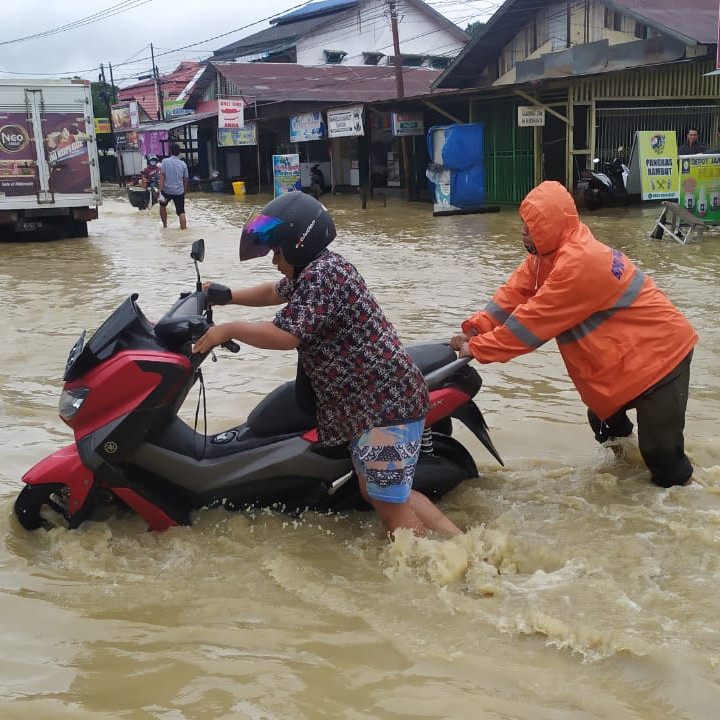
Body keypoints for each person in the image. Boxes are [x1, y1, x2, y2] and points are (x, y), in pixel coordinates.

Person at [192, 191, 461, 539]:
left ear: (299, 244)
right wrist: (227, 296)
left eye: (277, 250)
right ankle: (459, 544)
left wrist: (226, 331)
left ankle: (433, 570)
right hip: (373, 405)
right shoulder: (316, 271)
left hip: (382, 406)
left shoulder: (324, 276)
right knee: (385, 493)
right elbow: (275, 291)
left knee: (389, 502)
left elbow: (285, 335)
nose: (273, 259)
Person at [451, 181, 698, 489]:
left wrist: (478, 348)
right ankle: (628, 484)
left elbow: (528, 328)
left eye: (529, 227)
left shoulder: (578, 263)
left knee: (663, 459)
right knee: (605, 424)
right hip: (628, 362)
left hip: (663, 359)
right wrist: (475, 329)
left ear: (549, 227)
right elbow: (511, 296)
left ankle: (688, 506)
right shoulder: (547, 258)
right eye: (523, 226)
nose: (523, 233)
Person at [158, 143, 188, 229]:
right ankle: (184, 229)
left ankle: (165, 225)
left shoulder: (165, 161)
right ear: (179, 152)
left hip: (166, 190)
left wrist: (160, 190)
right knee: (181, 212)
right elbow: (185, 179)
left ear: (170, 151)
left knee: (162, 206)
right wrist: (185, 190)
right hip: (179, 191)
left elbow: (162, 176)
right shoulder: (183, 164)